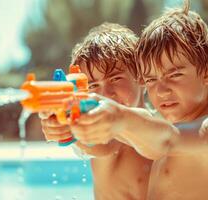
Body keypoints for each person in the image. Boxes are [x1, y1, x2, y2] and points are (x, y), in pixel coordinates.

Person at [70, 1, 208, 199]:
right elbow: (111, 141)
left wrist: (117, 116)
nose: (161, 90)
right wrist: (69, 128)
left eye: (175, 75)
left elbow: (168, 139)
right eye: (151, 79)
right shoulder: (163, 128)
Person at [39, 23, 152, 200]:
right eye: (93, 85)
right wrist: (59, 121)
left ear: (143, 77)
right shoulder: (96, 133)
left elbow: (110, 140)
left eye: (115, 78)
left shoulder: (153, 127)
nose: (105, 94)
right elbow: (99, 144)